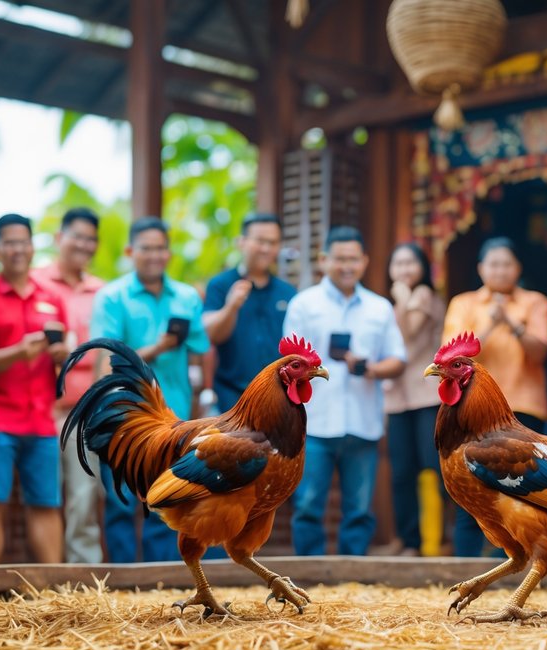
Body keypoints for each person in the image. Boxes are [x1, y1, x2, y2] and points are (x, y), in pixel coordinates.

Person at [90, 216, 211, 562]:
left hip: (175, 416)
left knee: (170, 500)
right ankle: (127, 584)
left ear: (169, 253)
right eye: (146, 248)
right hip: (124, 418)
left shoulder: (187, 297)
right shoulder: (112, 297)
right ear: (130, 251)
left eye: (161, 248)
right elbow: (108, 360)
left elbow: (200, 350)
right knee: (121, 503)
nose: (155, 255)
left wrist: (203, 398)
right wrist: (157, 348)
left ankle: (165, 579)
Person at [283, 226, 407, 556]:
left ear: (364, 261)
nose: (347, 266)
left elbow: (398, 360)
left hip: (363, 420)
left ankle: (353, 578)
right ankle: (307, 578)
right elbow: (286, 362)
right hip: (314, 421)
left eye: (353, 259)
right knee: (308, 504)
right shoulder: (303, 304)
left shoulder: (380, 308)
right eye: (339, 259)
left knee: (359, 509)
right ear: (324, 260)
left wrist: (369, 368)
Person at [0, 214, 69, 565]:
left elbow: (61, 355)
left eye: (24, 242)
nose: (18, 249)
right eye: (9, 243)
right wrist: (20, 350)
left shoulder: (52, 298)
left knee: (46, 503)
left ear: (33, 246)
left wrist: (62, 354)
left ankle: (54, 588)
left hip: (40, 418)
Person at [441, 237, 547, 556]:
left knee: (528, 493)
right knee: (468, 493)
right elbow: (451, 356)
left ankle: (528, 562)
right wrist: (492, 323)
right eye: (493, 264)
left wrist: (513, 326)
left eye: (507, 264)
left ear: (517, 268)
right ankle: (466, 568)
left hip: (523, 407)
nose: (500, 270)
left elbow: (541, 353)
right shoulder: (463, 303)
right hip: (472, 409)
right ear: (481, 268)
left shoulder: (536, 302)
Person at [32, 208, 106, 564]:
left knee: (83, 495)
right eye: (77, 236)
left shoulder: (102, 292)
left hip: (83, 414)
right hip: (37, 410)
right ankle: (45, 577)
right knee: (42, 497)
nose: (84, 244)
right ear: (58, 238)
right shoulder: (34, 284)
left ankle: (83, 578)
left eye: (91, 238)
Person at [383, 242, 448, 557]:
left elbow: (408, 332)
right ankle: (409, 540)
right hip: (397, 397)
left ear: (423, 267)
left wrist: (404, 298)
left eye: (410, 262)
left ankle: (441, 539)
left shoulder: (424, 297)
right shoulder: (391, 303)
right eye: (398, 263)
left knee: (434, 467)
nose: (404, 269)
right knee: (401, 471)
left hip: (427, 394)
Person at [203, 212, 298, 413]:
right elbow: (210, 335)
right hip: (230, 399)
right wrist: (231, 306)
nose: (266, 248)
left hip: (277, 399)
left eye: (272, 242)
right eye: (260, 241)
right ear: (242, 242)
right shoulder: (221, 285)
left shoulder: (288, 292)